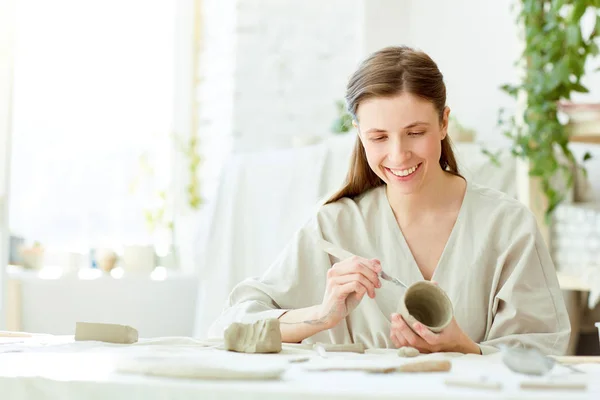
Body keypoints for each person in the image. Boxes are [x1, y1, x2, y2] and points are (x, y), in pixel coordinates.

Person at [209, 46, 571, 355]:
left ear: (444, 123)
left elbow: (544, 352)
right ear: (359, 135)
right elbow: (234, 321)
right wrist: (322, 315)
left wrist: (467, 348)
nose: (398, 156)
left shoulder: (508, 226)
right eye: (378, 137)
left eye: (415, 133)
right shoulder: (335, 225)